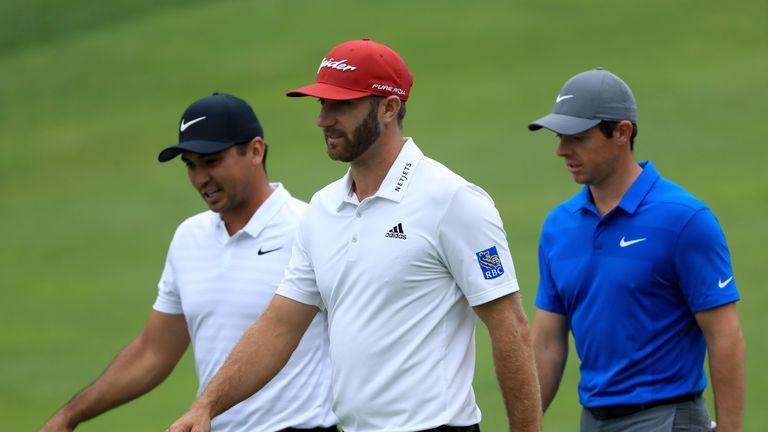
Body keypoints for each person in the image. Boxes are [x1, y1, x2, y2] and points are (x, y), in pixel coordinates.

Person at [167, 39, 541, 432]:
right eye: (322, 105)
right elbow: (278, 327)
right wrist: (206, 406)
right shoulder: (323, 209)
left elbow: (509, 327)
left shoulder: (451, 200)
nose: (323, 119)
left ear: (389, 108)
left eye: (341, 105)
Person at [40, 93, 337, 432]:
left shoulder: (308, 227)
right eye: (191, 165)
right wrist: (70, 416)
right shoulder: (189, 237)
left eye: (211, 161)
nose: (200, 179)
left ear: (256, 150)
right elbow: (152, 353)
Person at [528, 68, 744, 431]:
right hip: (592, 421)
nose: (561, 150)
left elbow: (724, 336)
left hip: (667, 418)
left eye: (577, 138)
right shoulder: (558, 226)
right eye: (560, 137)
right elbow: (547, 342)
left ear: (622, 133)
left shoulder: (685, 220)